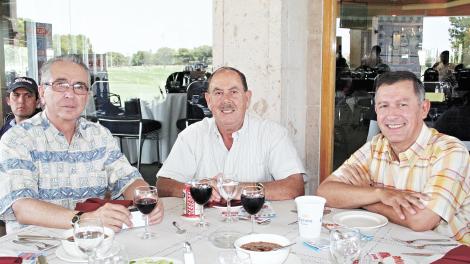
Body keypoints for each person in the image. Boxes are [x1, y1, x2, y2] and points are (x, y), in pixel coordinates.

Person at [0, 55, 164, 233]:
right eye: (60, 85)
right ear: (42, 92)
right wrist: (84, 219)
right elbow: (22, 207)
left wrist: (147, 197)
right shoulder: (17, 138)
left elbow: (129, 180)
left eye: (79, 87)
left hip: (93, 243)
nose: (70, 94)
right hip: (36, 250)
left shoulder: (99, 135)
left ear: (87, 96)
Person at [317, 71, 470, 245]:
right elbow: (325, 192)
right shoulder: (377, 146)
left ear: (424, 109)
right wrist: (379, 193)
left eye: (402, 105)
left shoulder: (449, 151)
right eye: (384, 106)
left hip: (448, 252)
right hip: (394, 247)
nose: (392, 115)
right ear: (376, 110)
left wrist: (366, 201)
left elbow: (421, 220)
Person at [156, 66, 305, 201]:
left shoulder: (272, 134)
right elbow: (163, 185)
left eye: (234, 92)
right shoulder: (191, 135)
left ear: (247, 98)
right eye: (218, 92)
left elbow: (295, 187)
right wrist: (195, 189)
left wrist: (239, 189)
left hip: (256, 224)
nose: (226, 100)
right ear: (208, 100)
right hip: (206, 226)